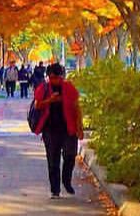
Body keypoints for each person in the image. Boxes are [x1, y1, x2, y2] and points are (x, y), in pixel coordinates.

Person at [33, 63, 84, 199]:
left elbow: (77, 107)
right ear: (48, 76)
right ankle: (55, 190)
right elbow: (38, 105)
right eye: (51, 77)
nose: (54, 80)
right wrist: (50, 100)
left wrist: (80, 126)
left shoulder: (68, 87)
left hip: (68, 129)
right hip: (50, 130)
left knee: (70, 156)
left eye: (57, 77)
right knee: (53, 160)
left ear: (61, 76)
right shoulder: (43, 88)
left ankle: (66, 180)